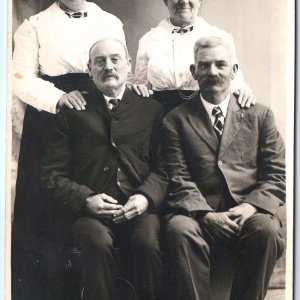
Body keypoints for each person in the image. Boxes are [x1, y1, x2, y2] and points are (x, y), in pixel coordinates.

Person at [11, 1, 125, 299]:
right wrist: (59, 98)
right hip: (50, 119)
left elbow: (120, 70)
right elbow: (19, 78)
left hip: (97, 119)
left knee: (97, 202)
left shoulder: (110, 21)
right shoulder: (33, 25)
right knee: (48, 206)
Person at [41, 38, 168, 300]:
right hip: (91, 215)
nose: (108, 67)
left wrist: (145, 197)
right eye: (99, 62)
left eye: (114, 59)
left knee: (147, 242)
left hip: (140, 209)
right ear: (89, 70)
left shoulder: (152, 110)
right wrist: (86, 199)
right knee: (96, 242)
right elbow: (52, 175)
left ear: (128, 65)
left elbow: (165, 168)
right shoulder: (72, 112)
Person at [162, 31, 285, 300]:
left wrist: (249, 206)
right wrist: (205, 215)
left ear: (234, 70)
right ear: (194, 71)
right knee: (178, 230)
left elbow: (276, 174)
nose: (212, 72)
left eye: (220, 64)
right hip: (198, 212)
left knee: (266, 231)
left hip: (247, 209)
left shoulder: (259, 115)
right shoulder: (175, 120)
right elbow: (178, 178)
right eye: (204, 66)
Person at [133, 0, 255, 112]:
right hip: (160, 115)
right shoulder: (148, 39)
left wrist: (243, 90)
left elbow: (235, 83)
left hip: (203, 115)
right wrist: (139, 89)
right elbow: (140, 85)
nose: (184, 1)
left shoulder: (220, 37)